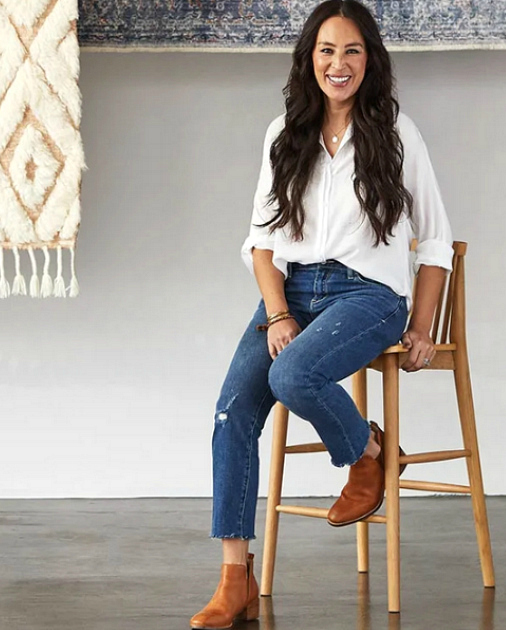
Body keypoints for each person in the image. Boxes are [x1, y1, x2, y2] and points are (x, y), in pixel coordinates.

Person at [190, 2, 454, 628]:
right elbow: (260, 243)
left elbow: (437, 240)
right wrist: (278, 314)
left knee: (292, 378)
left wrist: (421, 326)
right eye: (328, 51)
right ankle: (235, 577)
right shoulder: (284, 133)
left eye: (353, 51)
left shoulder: (397, 133)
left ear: (370, 60)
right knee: (232, 412)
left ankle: (365, 455)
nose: (340, 64)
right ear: (310, 59)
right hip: (295, 293)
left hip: (369, 297)